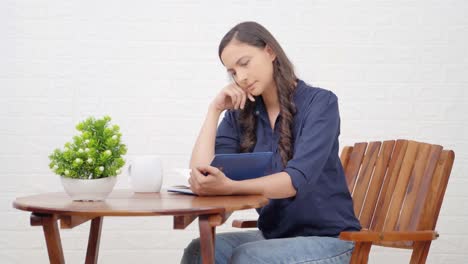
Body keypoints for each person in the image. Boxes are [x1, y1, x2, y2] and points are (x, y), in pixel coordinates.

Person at [181, 21, 361, 264]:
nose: (241, 77)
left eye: (244, 63)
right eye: (232, 72)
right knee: (200, 250)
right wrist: (214, 110)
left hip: (331, 240)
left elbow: (294, 181)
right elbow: (204, 172)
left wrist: (229, 187)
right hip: (274, 237)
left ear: (270, 51)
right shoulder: (239, 115)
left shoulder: (320, 104)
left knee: (248, 256)